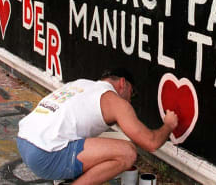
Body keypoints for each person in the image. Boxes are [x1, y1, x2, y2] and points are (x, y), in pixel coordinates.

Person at [17, 68, 179, 184]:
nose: (130, 100)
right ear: (123, 84)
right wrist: (168, 125)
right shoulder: (115, 102)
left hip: (24, 141)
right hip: (45, 154)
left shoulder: (80, 84)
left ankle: (65, 178)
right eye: (132, 94)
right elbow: (151, 143)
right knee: (127, 153)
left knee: (101, 139)